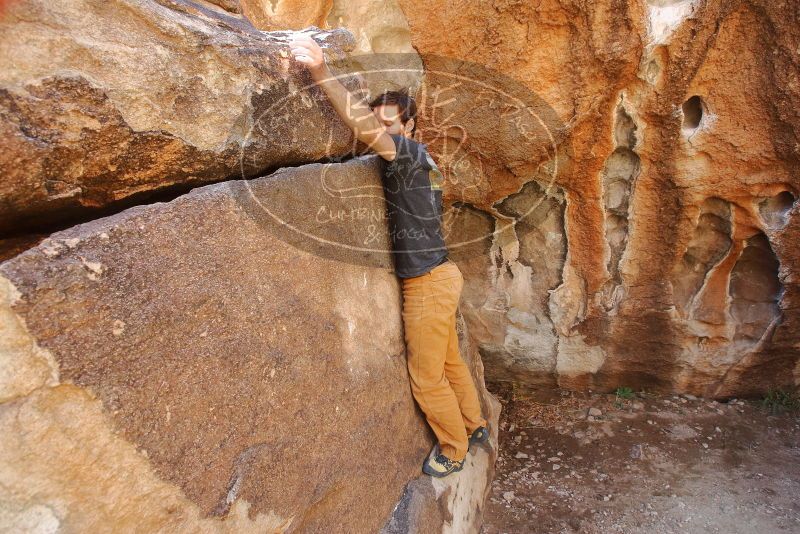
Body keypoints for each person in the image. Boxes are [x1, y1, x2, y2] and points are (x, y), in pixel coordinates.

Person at [289, 33, 489, 478]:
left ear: (410, 128)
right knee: (450, 361)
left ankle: (454, 449)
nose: (381, 132)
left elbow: (364, 130)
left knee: (426, 377)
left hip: (428, 283)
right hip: (442, 274)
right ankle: (475, 425)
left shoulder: (409, 154)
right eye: (379, 122)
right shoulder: (422, 160)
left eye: (391, 125)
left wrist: (321, 71)